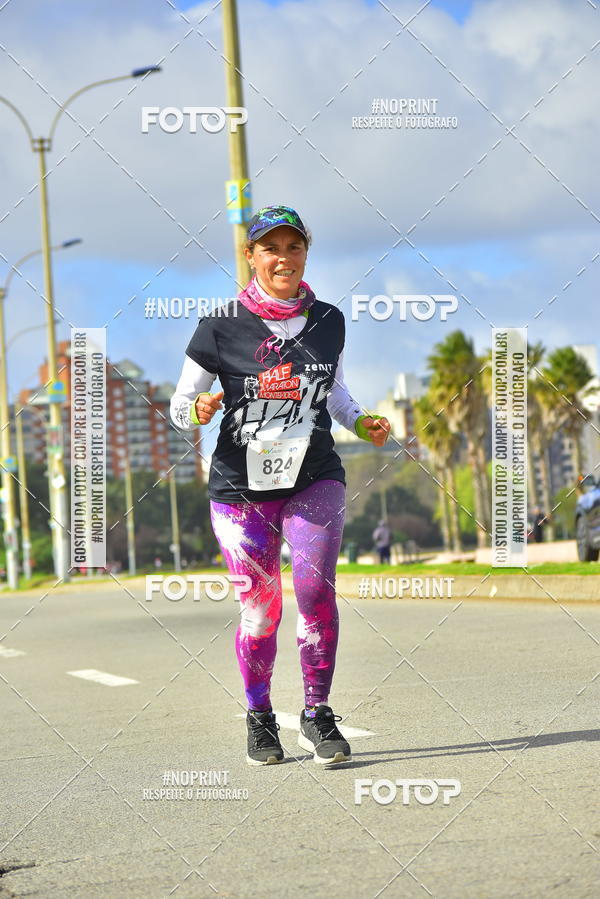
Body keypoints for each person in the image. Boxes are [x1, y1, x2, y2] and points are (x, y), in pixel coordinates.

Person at [170, 205, 391, 766]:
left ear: (305, 255)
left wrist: (362, 422)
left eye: (293, 248)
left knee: (316, 593)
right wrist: (199, 407)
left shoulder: (329, 320)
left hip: (315, 475)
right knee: (261, 609)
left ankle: (317, 716)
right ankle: (261, 717)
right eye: (271, 248)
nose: (283, 258)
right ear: (251, 257)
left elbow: (337, 396)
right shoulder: (218, 327)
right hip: (240, 489)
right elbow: (177, 406)